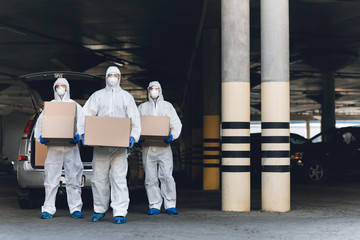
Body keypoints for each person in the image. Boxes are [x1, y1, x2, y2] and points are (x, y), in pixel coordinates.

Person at [77, 66, 141, 224]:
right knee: (99, 179)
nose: (112, 78)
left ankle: (120, 212)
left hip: (120, 147)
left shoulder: (127, 97)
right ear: (106, 77)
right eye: (110, 75)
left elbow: (134, 118)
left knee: (119, 179)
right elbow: (85, 115)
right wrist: (83, 133)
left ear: (120, 77)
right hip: (100, 146)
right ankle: (99, 209)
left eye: (115, 75)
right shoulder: (97, 96)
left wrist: (133, 136)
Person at [34, 78, 84, 219]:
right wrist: (41, 138)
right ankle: (48, 209)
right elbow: (39, 125)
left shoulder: (75, 106)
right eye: (58, 86)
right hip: (53, 148)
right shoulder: (50, 107)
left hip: (71, 148)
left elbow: (83, 123)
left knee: (73, 178)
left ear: (68, 88)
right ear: (54, 88)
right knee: (51, 179)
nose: (60, 89)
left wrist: (78, 136)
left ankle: (75, 208)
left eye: (63, 86)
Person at [138, 81, 182, 215]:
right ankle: (154, 205)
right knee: (150, 177)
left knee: (167, 176)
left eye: (156, 88)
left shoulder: (167, 106)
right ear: (148, 90)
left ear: (160, 90)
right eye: (151, 88)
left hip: (164, 146)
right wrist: (138, 136)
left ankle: (170, 204)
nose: (154, 91)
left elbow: (176, 124)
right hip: (148, 147)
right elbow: (135, 124)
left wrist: (172, 136)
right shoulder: (142, 107)